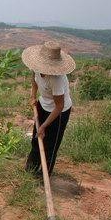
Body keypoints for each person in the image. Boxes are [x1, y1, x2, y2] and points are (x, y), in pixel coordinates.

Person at [21, 41, 76, 176]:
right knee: (36, 139)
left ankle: (43, 175)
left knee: (50, 144)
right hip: (43, 104)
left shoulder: (56, 80)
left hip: (59, 113)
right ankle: (30, 170)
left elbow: (59, 106)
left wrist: (44, 126)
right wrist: (33, 96)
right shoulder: (36, 68)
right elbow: (34, 81)